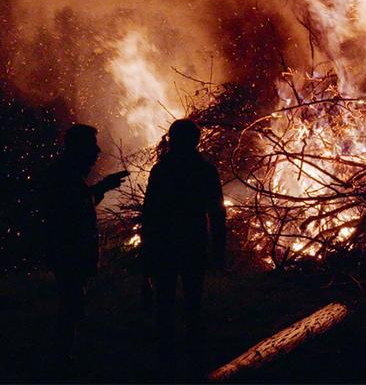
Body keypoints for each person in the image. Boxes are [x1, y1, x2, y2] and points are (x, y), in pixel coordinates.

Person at [141, 119, 227, 377]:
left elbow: (149, 213)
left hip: (165, 244)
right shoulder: (204, 170)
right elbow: (217, 213)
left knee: (164, 304)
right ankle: (194, 362)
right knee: (193, 303)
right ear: (196, 141)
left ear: (172, 140)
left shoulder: (162, 169)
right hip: (192, 242)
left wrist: (147, 249)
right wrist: (218, 249)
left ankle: (166, 362)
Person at [41, 124, 128, 370]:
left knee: (73, 300)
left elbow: (79, 202)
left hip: (68, 250)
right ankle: (62, 359)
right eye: (92, 144)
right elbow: (72, 208)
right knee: (72, 302)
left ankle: (66, 354)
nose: (97, 150)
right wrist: (101, 188)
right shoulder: (64, 175)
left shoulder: (66, 174)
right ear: (78, 147)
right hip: (68, 250)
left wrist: (102, 187)